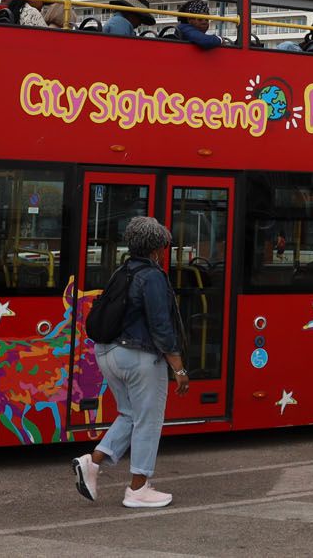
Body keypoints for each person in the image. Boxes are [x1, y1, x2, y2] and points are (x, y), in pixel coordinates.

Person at [73, 216, 189, 509]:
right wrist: (178, 367)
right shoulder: (152, 276)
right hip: (138, 357)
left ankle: (92, 462)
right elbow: (161, 326)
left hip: (107, 353)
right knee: (148, 421)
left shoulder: (121, 271)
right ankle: (138, 488)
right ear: (157, 249)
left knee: (129, 414)